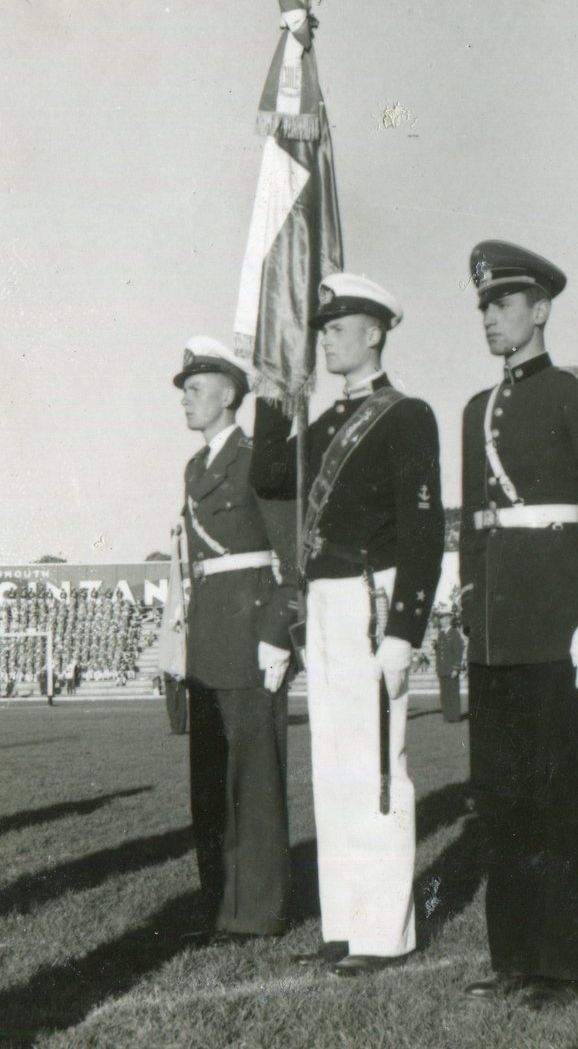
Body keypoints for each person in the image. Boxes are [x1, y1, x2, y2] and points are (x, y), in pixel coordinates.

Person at [459, 241, 578, 1010]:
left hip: (562, 623)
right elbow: (473, 528)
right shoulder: (475, 409)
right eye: (482, 307)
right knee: (502, 803)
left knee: (558, 798)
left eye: (501, 304)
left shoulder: (577, 391)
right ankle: (511, 958)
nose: (489, 319)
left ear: (538, 310)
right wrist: (473, 614)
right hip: (499, 631)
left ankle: (560, 965)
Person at [251, 273, 445, 977]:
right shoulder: (327, 421)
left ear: (374, 332)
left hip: (371, 599)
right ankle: (346, 921)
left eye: (336, 328)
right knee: (332, 767)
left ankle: (383, 932)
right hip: (325, 605)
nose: (325, 337)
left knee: (375, 769)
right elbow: (269, 475)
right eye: (320, 327)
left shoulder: (405, 414)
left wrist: (404, 630)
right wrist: (276, 388)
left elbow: (424, 530)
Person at [175, 336, 296, 941]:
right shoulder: (196, 467)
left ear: (228, 394)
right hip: (208, 636)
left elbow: (292, 557)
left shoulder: (256, 460)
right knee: (210, 779)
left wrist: (277, 634)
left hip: (250, 635)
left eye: (195, 390)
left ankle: (258, 911)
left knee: (253, 780)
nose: (186, 402)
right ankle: (215, 903)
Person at [433, 610, 464, 722]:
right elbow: (439, 653)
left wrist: (456, 668)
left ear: (449, 619)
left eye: (444, 618)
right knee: (444, 694)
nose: (442, 620)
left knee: (453, 693)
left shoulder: (454, 633)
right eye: (441, 618)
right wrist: (437, 667)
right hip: (442, 669)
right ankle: (447, 716)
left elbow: (458, 651)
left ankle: (455, 716)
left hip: (451, 669)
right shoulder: (441, 634)